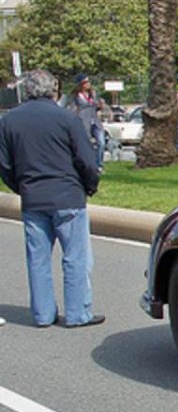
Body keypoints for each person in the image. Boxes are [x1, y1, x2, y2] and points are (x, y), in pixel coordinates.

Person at [0, 69, 104, 328]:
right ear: (52, 90)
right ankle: (78, 312)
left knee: (38, 259)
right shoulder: (66, 118)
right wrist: (90, 186)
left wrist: (21, 188)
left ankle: (43, 314)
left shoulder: (9, 121)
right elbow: (86, 159)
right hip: (67, 194)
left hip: (33, 198)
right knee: (76, 257)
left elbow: (5, 165)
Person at [70, 74, 108, 169]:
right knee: (86, 144)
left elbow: (96, 107)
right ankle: (87, 164)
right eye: (85, 82)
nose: (88, 84)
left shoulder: (93, 94)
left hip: (95, 121)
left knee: (101, 142)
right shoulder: (76, 96)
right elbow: (72, 109)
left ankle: (99, 164)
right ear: (81, 84)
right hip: (84, 122)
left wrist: (101, 106)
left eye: (89, 82)